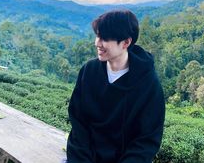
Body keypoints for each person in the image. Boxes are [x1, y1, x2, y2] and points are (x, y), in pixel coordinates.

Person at [66, 10, 165, 163]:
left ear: (126, 42)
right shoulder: (89, 71)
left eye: (104, 38)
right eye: (97, 36)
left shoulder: (148, 84)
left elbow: (146, 140)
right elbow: (79, 124)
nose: (97, 43)